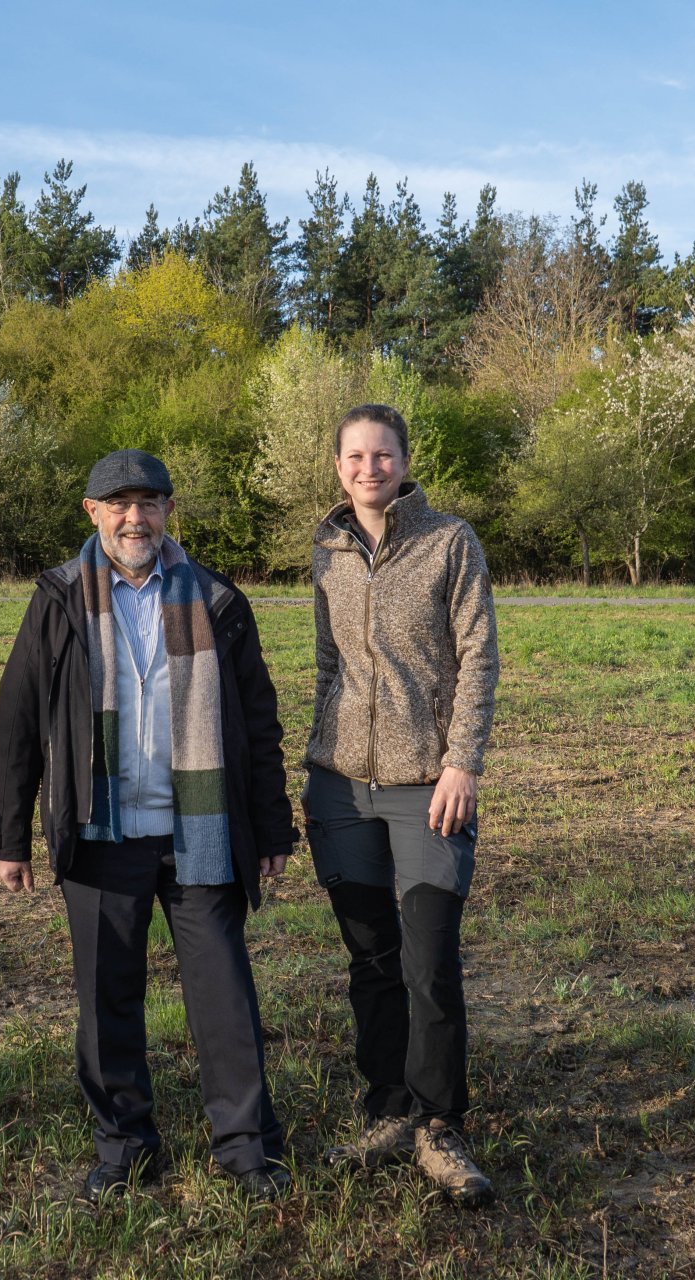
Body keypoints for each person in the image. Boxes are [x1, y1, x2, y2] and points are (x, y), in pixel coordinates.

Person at [0, 449, 297, 1202]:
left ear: (168, 511)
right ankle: (125, 1145)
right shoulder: (59, 598)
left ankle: (245, 1148)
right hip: (100, 834)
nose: (137, 517)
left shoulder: (218, 600)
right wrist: (10, 834)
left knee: (224, 996)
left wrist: (275, 827)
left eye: (150, 502)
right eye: (119, 503)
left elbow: (259, 723)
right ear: (92, 513)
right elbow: (18, 719)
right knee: (107, 1000)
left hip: (202, 833)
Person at [305, 403, 499, 1207]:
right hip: (340, 787)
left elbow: (479, 657)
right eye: (354, 456)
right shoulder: (325, 549)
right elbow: (326, 663)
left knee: (428, 961)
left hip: (429, 787)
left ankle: (439, 1125)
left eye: (382, 455)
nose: (368, 468)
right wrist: (313, 760)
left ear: (405, 461)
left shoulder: (449, 541)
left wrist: (462, 764)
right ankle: (387, 1109)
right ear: (340, 465)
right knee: (372, 960)